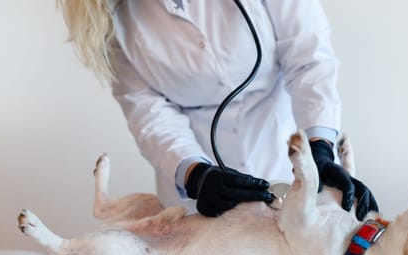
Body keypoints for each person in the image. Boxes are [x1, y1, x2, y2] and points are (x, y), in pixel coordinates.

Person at [58, 0, 378, 219]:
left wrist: (319, 148)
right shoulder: (112, 16)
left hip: (284, 156)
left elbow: (310, 59)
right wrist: (195, 174)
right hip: (200, 192)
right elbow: (149, 113)